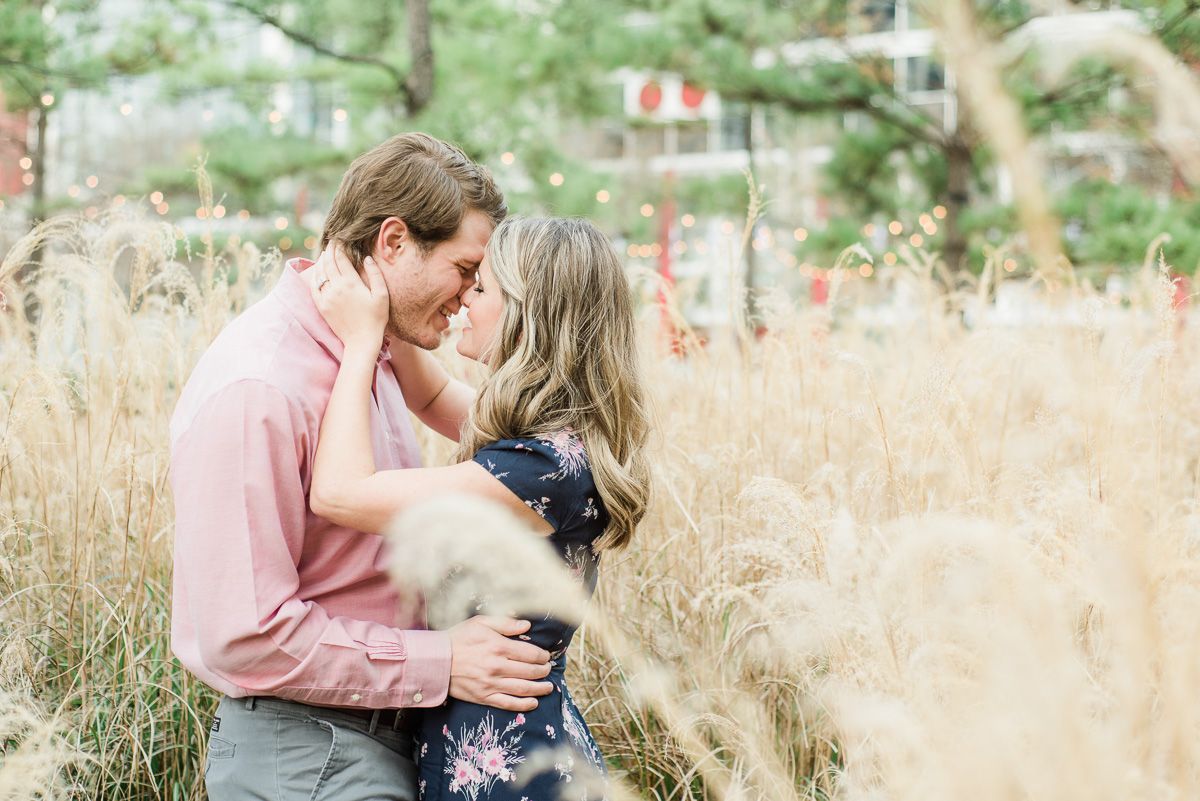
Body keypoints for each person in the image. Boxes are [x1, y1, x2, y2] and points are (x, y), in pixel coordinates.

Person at [170, 133, 557, 801]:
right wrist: (444, 660)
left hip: (363, 744)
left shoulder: (371, 356)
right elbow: (245, 634)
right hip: (308, 757)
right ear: (393, 242)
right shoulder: (260, 386)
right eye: (465, 268)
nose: (469, 294)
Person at [306, 215, 651, 800]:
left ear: (528, 315)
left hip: (506, 768)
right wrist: (389, 307)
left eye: (482, 286)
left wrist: (363, 343)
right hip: (504, 745)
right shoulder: (557, 446)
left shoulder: (537, 472)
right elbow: (432, 394)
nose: (466, 296)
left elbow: (339, 492)